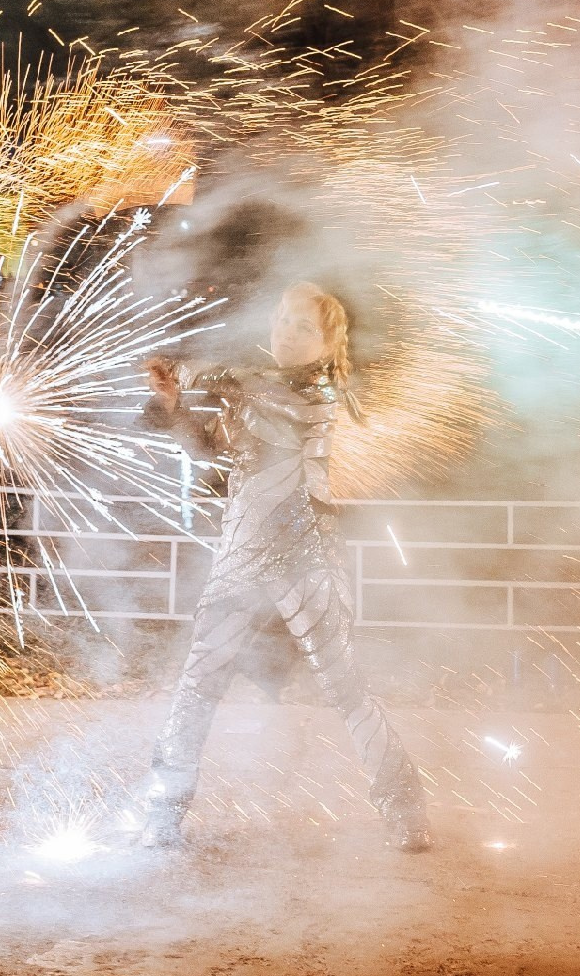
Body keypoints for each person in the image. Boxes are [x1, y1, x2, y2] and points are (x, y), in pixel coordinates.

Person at [138, 281, 431, 851]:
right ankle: (162, 812)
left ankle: (406, 810)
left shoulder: (321, 389)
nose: (287, 332)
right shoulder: (251, 388)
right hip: (240, 556)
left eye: (304, 327)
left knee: (344, 686)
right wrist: (172, 405)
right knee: (197, 685)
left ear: (328, 344)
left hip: (307, 558)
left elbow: (259, 388)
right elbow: (208, 449)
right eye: (282, 320)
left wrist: (187, 370)